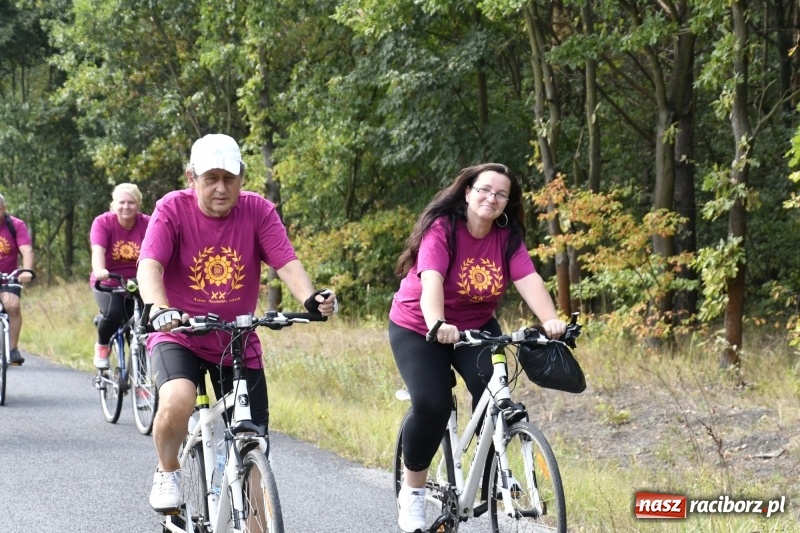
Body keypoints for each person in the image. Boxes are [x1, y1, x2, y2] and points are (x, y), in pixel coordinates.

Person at [137, 133, 337, 513]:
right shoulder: (172, 209)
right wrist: (159, 307)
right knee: (177, 400)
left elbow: (286, 261)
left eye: (229, 178)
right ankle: (168, 470)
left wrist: (310, 298)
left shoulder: (258, 210)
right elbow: (151, 264)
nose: (220, 188)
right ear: (190, 177)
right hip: (180, 333)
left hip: (237, 339)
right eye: (210, 178)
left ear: (242, 178)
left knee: (254, 449)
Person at [388, 163, 567, 533]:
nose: (492, 198)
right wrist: (438, 323)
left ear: (507, 202)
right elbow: (432, 279)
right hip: (420, 325)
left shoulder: (507, 234)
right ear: (468, 192)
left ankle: (496, 466)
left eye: (501, 194)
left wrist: (551, 321)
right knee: (433, 403)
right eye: (485, 190)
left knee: (495, 390)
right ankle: (413, 492)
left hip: (477, 326)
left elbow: (528, 278)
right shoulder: (443, 228)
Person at [90, 183, 151, 369]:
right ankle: (102, 345)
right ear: (113, 204)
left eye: (131, 202)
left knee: (144, 326)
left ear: (138, 204)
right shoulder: (103, 223)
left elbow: (157, 251)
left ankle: (141, 383)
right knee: (114, 313)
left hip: (139, 282)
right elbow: (98, 251)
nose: (126, 206)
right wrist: (100, 270)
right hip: (109, 281)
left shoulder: (148, 223)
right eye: (121, 202)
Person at [0, 193, 35, 366]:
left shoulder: (15, 225)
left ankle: (12, 350)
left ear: (4, 209)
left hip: (9, 276)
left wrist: (27, 270)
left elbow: (27, 250)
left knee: (12, 306)